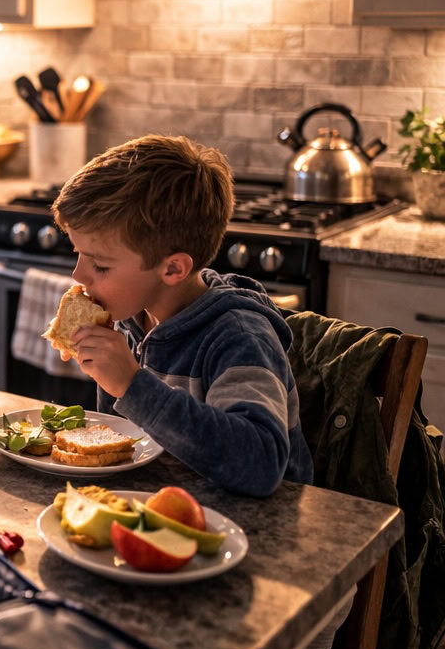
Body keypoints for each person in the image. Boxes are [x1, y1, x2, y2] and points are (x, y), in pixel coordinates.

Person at [51, 133, 314, 495]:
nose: (78, 276)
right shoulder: (130, 320)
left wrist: (131, 385)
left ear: (173, 270)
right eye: (78, 255)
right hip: (165, 510)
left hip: (258, 533)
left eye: (100, 266)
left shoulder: (239, 336)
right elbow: (125, 445)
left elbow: (260, 465)